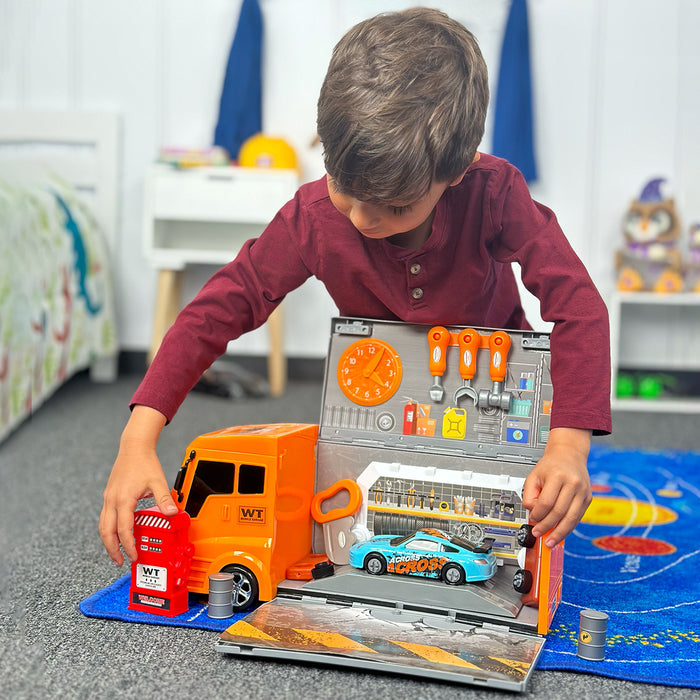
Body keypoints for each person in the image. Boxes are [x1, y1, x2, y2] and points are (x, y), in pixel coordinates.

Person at [100, 7, 611, 567]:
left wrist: (569, 443)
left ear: (458, 170)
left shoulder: (494, 191)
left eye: (396, 205)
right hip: (383, 396)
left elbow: (578, 305)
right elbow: (218, 308)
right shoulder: (313, 217)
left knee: (509, 540)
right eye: (345, 189)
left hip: (496, 390)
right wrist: (136, 439)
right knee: (369, 531)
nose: (363, 219)